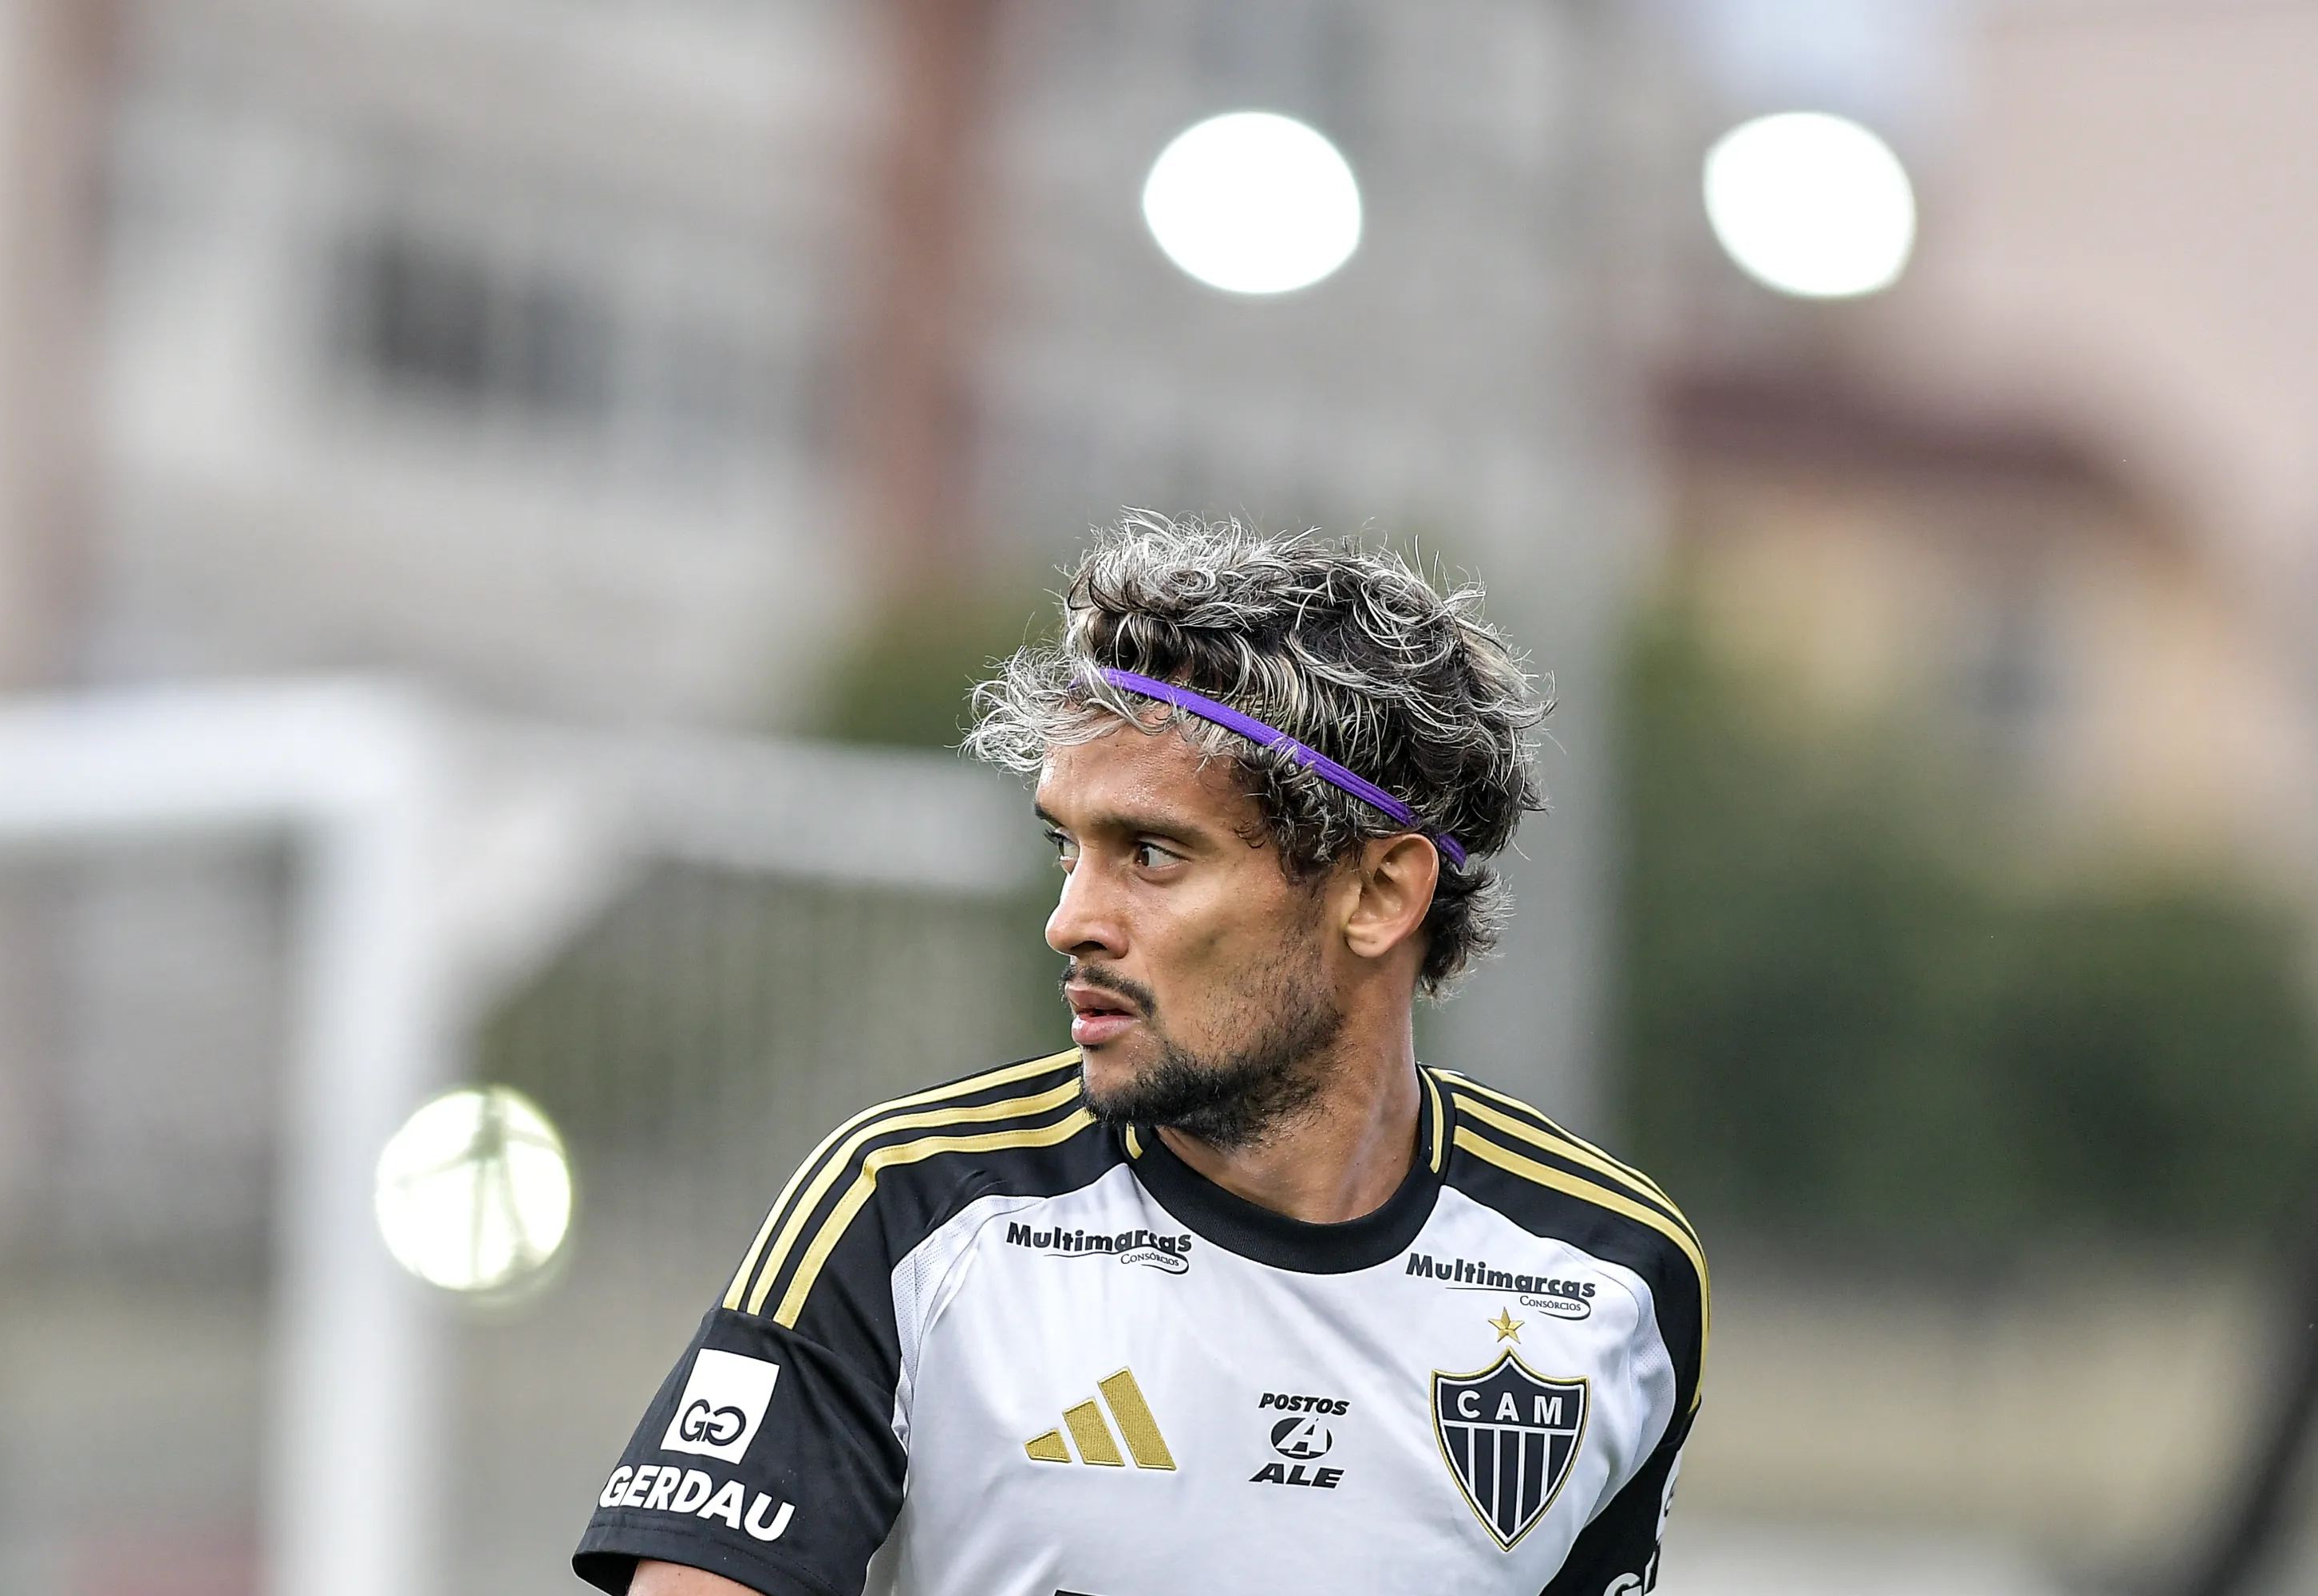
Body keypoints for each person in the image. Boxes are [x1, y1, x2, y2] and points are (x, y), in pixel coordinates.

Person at [574, 516, 1707, 1596]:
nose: (1072, 920)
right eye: (1068, 849)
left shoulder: (1611, 1284)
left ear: (1377, 893)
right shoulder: (908, 1212)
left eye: (1152, 855)